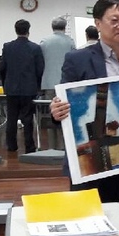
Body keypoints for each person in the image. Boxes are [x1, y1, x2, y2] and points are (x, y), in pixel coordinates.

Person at [49, 0, 119, 212]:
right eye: (114, 20)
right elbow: (65, 101)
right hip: (89, 162)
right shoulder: (77, 59)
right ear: (97, 23)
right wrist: (56, 110)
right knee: (87, 218)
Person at [0, 19, 45, 154]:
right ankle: (29, 146)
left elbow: (2, 67)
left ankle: (11, 145)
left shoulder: (7, 47)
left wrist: (5, 82)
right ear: (29, 31)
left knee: (11, 118)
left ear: (15, 30)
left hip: (11, 88)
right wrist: (37, 85)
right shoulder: (35, 48)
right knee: (28, 118)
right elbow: (40, 69)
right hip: (29, 88)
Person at [40, 17, 76, 150]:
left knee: (50, 115)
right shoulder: (70, 42)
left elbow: (40, 62)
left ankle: (52, 146)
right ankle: (64, 146)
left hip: (48, 83)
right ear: (65, 27)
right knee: (65, 114)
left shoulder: (44, 42)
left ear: (52, 27)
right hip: (66, 83)